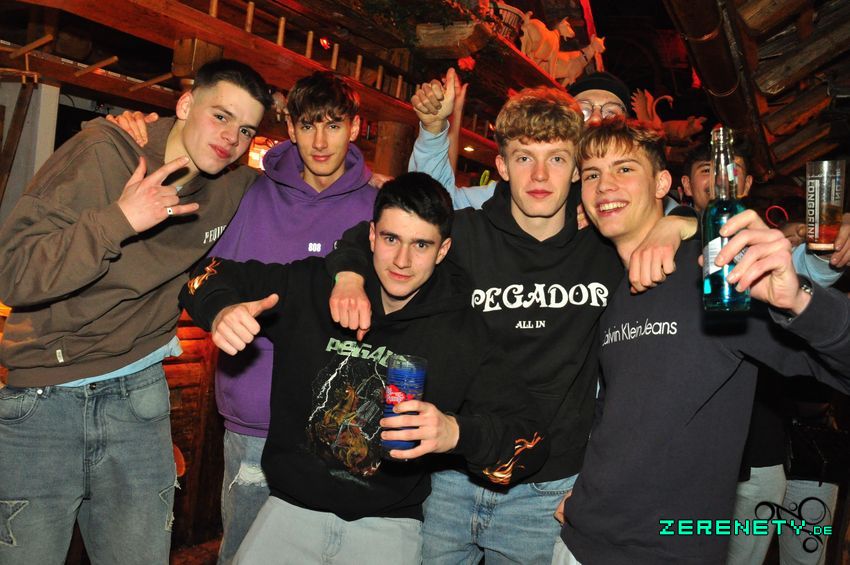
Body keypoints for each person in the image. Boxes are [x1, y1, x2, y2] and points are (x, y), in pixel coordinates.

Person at [327, 87, 697, 564]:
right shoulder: (463, 235)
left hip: (549, 491)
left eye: (557, 159)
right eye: (524, 158)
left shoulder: (604, 246)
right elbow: (372, 236)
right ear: (501, 165)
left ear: (576, 169)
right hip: (449, 477)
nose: (540, 176)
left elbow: (683, 220)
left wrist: (678, 222)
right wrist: (349, 277)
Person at [178, 173, 548, 564]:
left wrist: (455, 432)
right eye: (391, 239)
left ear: (443, 250)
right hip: (290, 510)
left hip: (388, 528)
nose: (402, 261)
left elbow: (532, 440)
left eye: (421, 245)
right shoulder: (314, 286)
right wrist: (220, 310)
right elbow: (203, 273)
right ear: (371, 236)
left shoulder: (461, 331)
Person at [0, 59, 271, 564]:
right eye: (221, 116)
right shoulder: (105, 152)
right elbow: (12, 272)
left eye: (246, 129)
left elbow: (306, 173)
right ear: (185, 104)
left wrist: (373, 183)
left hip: (138, 398)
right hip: (43, 401)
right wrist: (119, 220)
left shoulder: (231, 186)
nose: (231, 138)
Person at [557, 118, 850, 564]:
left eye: (624, 169)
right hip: (577, 541)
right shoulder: (614, 289)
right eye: (592, 174)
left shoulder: (716, 278)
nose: (605, 185)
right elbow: (615, 414)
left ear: (662, 184)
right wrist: (584, 492)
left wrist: (798, 299)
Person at [409, 69, 632, 210]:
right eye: (584, 110)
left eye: (611, 112)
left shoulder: (628, 195)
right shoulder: (512, 195)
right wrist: (434, 130)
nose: (596, 119)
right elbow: (435, 206)